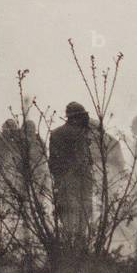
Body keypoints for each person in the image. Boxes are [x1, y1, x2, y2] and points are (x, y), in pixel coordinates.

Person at [49, 102, 95, 244]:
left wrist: (59, 180)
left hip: (63, 182)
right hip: (80, 182)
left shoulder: (56, 133)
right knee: (82, 219)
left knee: (67, 218)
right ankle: (79, 251)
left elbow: (52, 162)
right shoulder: (80, 134)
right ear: (78, 117)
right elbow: (85, 161)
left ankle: (69, 249)